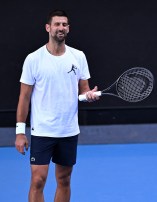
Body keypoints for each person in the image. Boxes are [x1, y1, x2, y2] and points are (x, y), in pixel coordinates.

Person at [14, 9, 99, 202]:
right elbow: (24, 98)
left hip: (68, 130)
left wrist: (89, 96)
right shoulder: (33, 59)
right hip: (42, 131)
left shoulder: (79, 56)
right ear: (48, 28)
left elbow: (83, 92)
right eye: (57, 24)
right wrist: (20, 132)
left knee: (64, 179)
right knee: (37, 180)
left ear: (68, 29)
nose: (61, 28)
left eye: (64, 24)